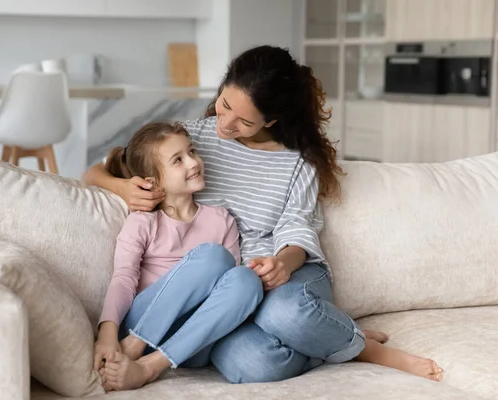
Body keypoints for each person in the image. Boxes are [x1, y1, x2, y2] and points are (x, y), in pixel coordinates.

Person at [84, 45, 443, 383]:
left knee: (281, 313)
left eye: (244, 121)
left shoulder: (297, 163)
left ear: (271, 121)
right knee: (253, 362)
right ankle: (329, 334)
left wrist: (283, 263)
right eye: (224, 105)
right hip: (229, 290)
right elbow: (99, 169)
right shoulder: (188, 138)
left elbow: (297, 228)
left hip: (284, 272)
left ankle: (366, 349)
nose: (225, 125)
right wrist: (121, 187)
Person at [93, 121, 263, 391]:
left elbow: (230, 292)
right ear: (153, 182)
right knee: (214, 257)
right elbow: (123, 279)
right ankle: (135, 346)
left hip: (192, 342)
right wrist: (107, 333)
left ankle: (149, 368)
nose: (193, 162)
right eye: (178, 160)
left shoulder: (221, 220)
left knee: (246, 279)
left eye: (192, 152)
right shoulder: (144, 222)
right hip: (140, 325)